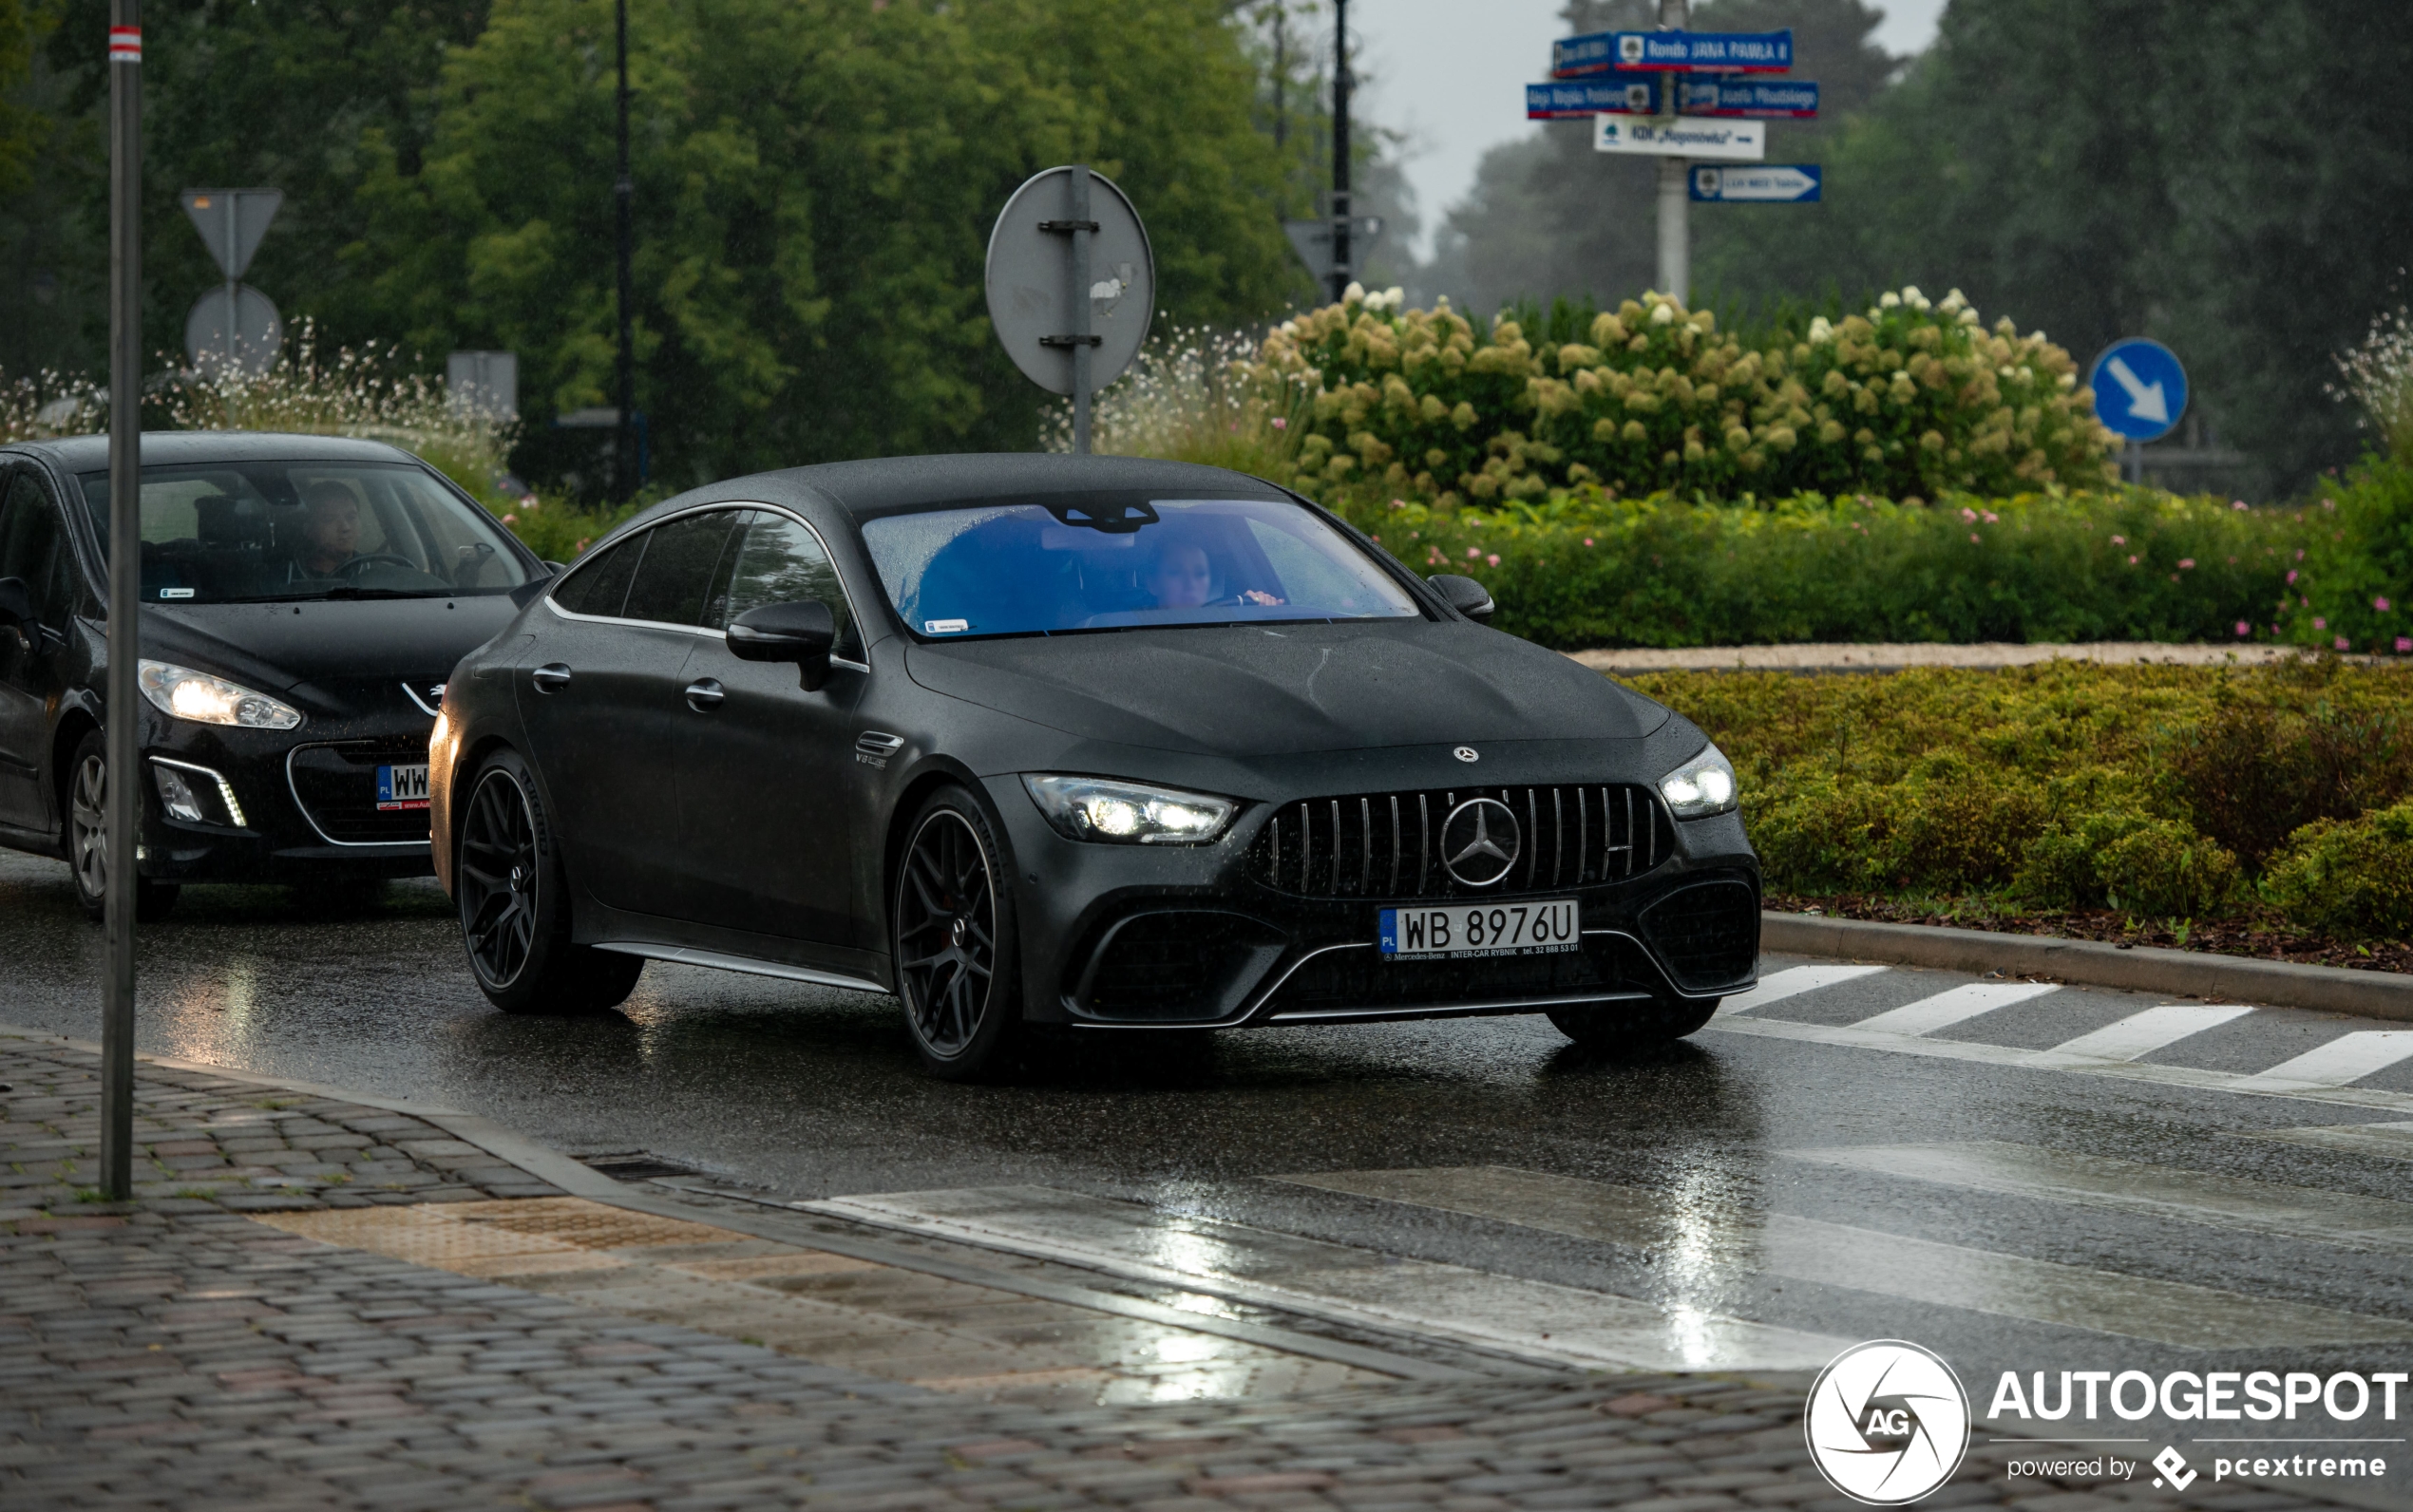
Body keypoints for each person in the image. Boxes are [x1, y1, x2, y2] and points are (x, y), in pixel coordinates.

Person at [292, 482, 365, 578]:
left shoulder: (381, 575)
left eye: (351, 517)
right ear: (307, 528)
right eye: (329, 519)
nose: (345, 528)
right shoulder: (285, 578)